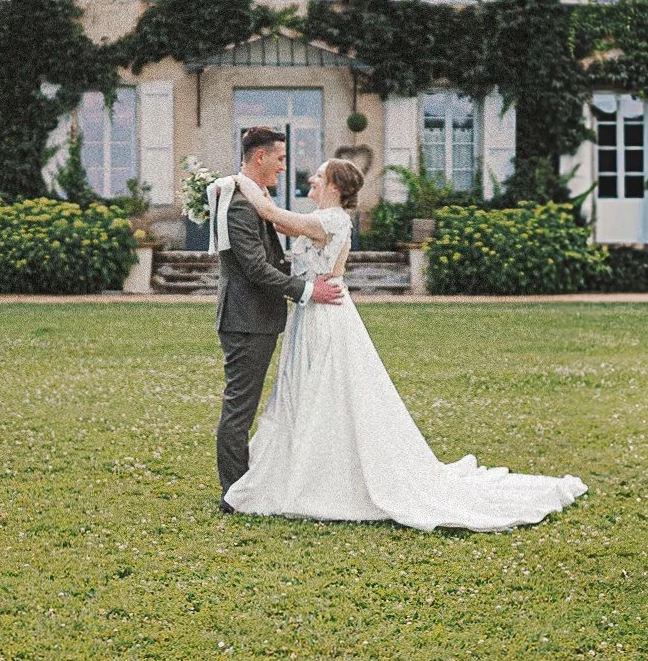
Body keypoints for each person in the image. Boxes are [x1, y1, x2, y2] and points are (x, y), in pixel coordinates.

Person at [221, 156, 585, 531]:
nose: (310, 179)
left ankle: (321, 474)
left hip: (326, 316)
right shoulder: (322, 219)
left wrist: (237, 180)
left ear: (334, 186)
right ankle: (301, 465)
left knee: (327, 390)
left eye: (318, 175)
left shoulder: (332, 220)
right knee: (306, 391)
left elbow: (270, 213)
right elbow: (276, 219)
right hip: (311, 312)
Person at [214, 125, 344, 509]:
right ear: (260, 157)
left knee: (249, 405)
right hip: (245, 319)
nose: (285, 167)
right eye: (281, 158)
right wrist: (307, 290)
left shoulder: (254, 199)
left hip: (260, 318)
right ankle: (234, 494)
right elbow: (255, 268)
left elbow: (271, 256)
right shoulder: (239, 203)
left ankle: (247, 484)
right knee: (240, 407)